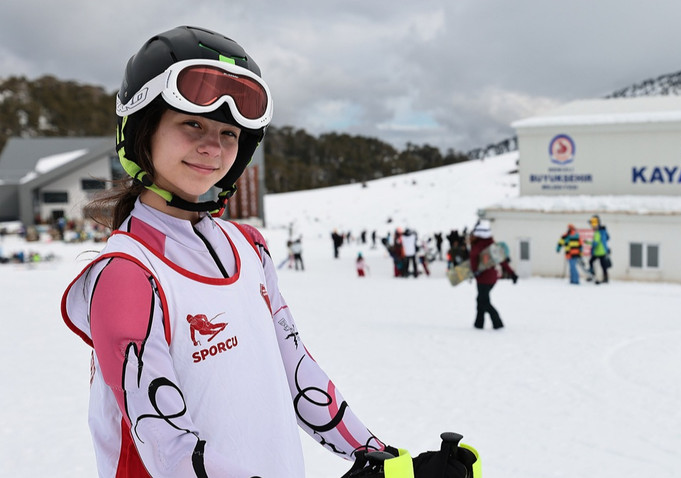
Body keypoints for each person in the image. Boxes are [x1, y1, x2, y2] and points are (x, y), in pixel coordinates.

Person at [60, 26, 426, 477]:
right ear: (142, 131)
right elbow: (168, 447)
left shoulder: (248, 248)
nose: (212, 147)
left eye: (229, 133)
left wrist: (378, 456)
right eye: (191, 123)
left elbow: (297, 374)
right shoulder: (127, 275)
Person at [468, 220, 504, 330]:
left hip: (484, 279)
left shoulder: (479, 246)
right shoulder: (490, 244)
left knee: (483, 301)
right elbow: (502, 260)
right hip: (489, 278)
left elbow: (474, 260)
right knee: (480, 300)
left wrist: (474, 271)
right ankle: (478, 324)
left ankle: (497, 323)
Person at [586, 214, 611, 284]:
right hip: (603, 251)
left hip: (598, 252)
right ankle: (605, 278)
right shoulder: (603, 231)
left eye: (593, 225)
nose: (592, 227)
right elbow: (608, 238)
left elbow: (595, 243)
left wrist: (588, 242)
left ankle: (592, 275)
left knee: (591, 261)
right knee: (603, 266)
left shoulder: (597, 232)